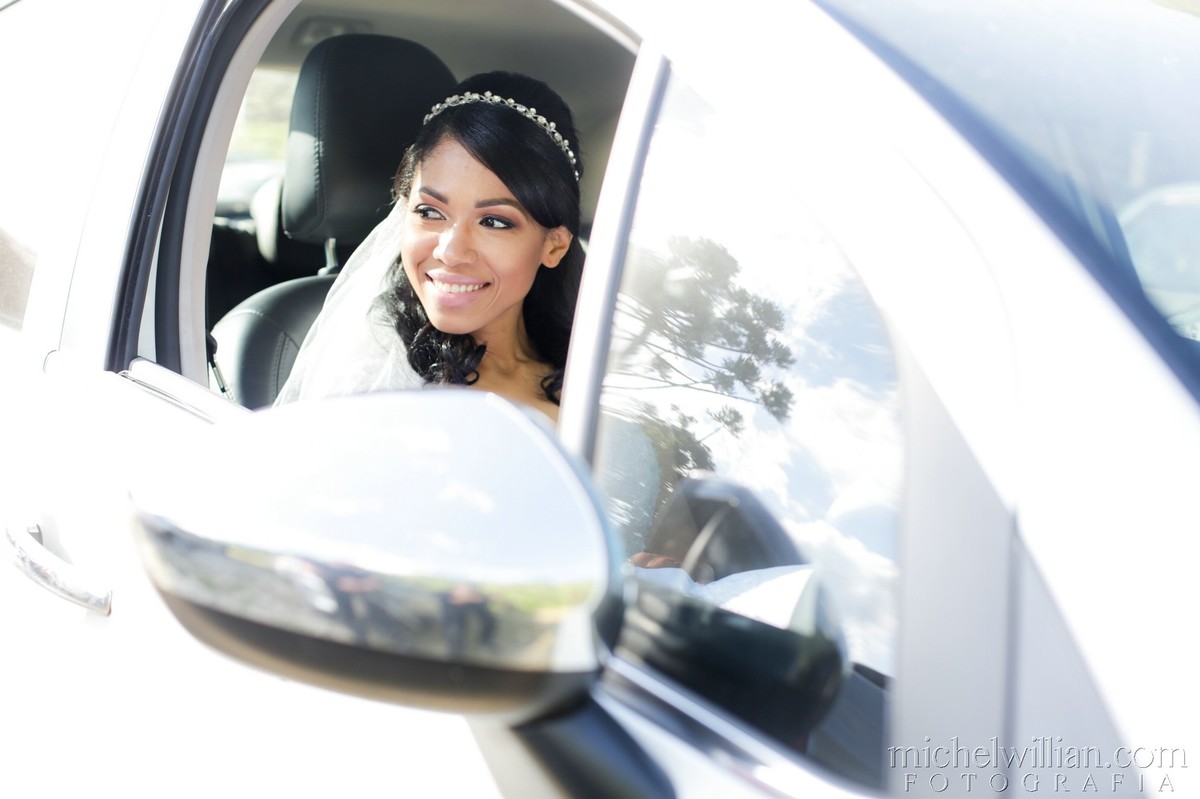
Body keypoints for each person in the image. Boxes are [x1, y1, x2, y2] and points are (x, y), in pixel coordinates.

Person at [275, 71, 585, 422]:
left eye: (494, 222)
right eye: (430, 212)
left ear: (554, 246)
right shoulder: (375, 385)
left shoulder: (601, 372)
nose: (450, 252)